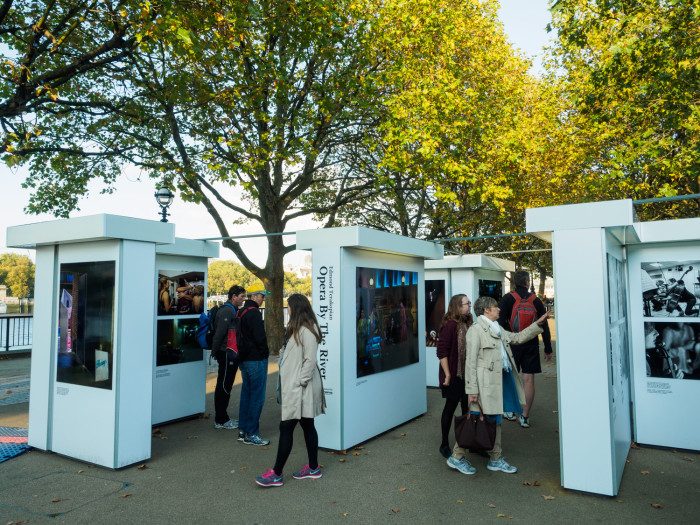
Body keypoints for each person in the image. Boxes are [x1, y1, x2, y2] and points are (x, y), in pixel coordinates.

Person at [447, 296, 548, 475]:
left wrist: (537, 325)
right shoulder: (476, 330)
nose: (499, 310)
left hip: (497, 384)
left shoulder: (497, 328)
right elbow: (469, 363)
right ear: (486, 310)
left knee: (495, 422)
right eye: (496, 307)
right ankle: (457, 457)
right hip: (483, 387)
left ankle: (495, 458)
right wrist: (471, 390)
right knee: (475, 422)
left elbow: (517, 338)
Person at [255, 294, 326, 487]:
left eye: (288, 307)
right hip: (298, 388)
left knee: (286, 427)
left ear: (296, 308)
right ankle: (313, 468)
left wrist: (299, 383)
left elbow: (309, 361)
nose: (287, 309)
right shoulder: (300, 329)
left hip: (300, 389)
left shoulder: (307, 331)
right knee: (307, 425)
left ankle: (277, 474)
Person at [498, 271, 552, 428]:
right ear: (528, 283)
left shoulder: (508, 298)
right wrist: (547, 348)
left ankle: (509, 411)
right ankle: (525, 416)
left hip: (512, 343)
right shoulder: (535, 300)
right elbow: (544, 324)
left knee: (511, 377)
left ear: (515, 282)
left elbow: (501, 322)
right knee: (528, 379)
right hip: (531, 343)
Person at [436, 294, 473, 459]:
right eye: (466, 304)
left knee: (467, 409)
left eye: (469, 303)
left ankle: (466, 442)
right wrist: (448, 374)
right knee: (450, 408)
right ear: (457, 307)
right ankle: (444, 444)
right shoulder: (450, 325)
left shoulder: (467, 323)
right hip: (453, 375)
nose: (469, 306)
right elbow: (441, 351)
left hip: (467, 374)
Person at [237, 283, 271, 445]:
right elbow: (260, 337)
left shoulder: (241, 312)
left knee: (246, 395)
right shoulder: (255, 313)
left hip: (243, 359)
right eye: (261, 295)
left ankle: (242, 430)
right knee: (257, 397)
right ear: (253, 296)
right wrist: (265, 353)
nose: (263, 298)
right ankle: (252, 433)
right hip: (256, 359)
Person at [212, 285, 247, 430]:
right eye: (241, 296)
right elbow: (220, 334)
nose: (243, 299)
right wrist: (214, 351)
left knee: (225, 385)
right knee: (224, 386)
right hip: (226, 353)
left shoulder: (231, 310)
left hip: (228, 353)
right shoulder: (227, 311)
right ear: (233, 296)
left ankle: (222, 417)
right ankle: (221, 419)